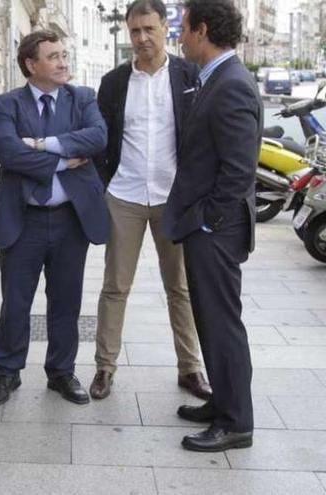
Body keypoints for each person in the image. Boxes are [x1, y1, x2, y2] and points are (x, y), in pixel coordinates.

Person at [91, 0, 210, 401]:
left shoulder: (189, 76)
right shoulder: (113, 82)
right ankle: (105, 368)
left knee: (180, 287)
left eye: (149, 29)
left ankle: (190, 368)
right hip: (123, 196)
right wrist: (104, 183)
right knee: (115, 287)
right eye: (135, 31)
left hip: (172, 198)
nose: (141, 38)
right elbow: (100, 140)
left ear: (165, 29)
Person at [0, 30, 108, 407]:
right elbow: (9, 154)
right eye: (53, 56)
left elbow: (98, 137)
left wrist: (40, 145)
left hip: (71, 218)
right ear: (30, 64)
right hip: (23, 218)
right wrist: (63, 161)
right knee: (16, 301)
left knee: (66, 301)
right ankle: (7, 372)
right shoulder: (5, 105)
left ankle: (61, 372)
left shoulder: (82, 97)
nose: (62, 62)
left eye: (63, 54)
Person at [162, 0, 261, 452]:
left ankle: (236, 421)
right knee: (209, 318)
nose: (179, 37)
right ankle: (223, 401)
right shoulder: (215, 79)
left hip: (215, 230)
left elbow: (240, 169)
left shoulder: (232, 85)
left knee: (222, 325)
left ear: (202, 30)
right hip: (207, 226)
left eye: (183, 29)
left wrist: (208, 221)